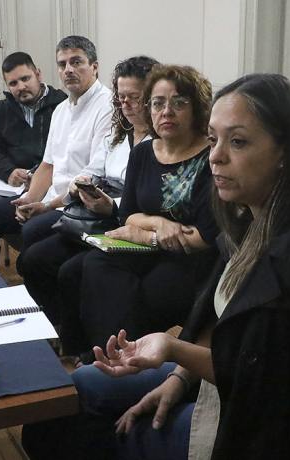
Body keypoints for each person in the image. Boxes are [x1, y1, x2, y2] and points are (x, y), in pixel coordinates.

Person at [23, 74, 290, 460]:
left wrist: (174, 349)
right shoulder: (248, 218)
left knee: (75, 428)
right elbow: (222, 322)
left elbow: (270, 386)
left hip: (257, 426)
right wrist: (178, 377)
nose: (215, 157)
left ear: (285, 151)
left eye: (237, 142)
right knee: (72, 391)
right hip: (214, 379)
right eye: (213, 139)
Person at [63, 65, 219, 362]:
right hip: (150, 247)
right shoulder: (143, 153)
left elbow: (203, 237)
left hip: (191, 258)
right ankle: (108, 353)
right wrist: (159, 224)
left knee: (146, 292)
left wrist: (147, 235)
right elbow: (128, 216)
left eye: (179, 103)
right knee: (95, 264)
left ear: (197, 108)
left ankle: (126, 360)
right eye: (158, 103)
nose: (166, 112)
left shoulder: (210, 158)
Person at [17, 55, 158, 346]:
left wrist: (111, 205)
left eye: (135, 97)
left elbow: (150, 197)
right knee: (32, 260)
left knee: (72, 271)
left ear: (153, 97)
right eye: (121, 97)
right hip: (96, 215)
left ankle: (80, 345)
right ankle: (58, 326)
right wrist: (78, 186)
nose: (126, 105)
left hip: (129, 224)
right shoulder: (119, 133)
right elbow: (93, 170)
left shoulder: (161, 141)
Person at [0, 35, 112, 268]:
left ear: (94, 67)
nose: (68, 70)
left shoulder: (107, 106)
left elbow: (93, 176)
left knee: (32, 234)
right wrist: (28, 200)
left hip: (78, 205)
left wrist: (46, 206)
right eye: (62, 64)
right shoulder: (62, 110)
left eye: (76, 62)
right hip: (50, 199)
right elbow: (48, 165)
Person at [0, 51, 67, 267]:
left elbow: (63, 154)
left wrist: (38, 177)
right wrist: (9, 172)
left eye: (25, 78)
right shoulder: (1, 111)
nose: (21, 87)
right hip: (12, 184)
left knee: (31, 223)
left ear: (38, 74)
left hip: (51, 182)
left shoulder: (62, 105)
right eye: (13, 83)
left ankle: (34, 264)